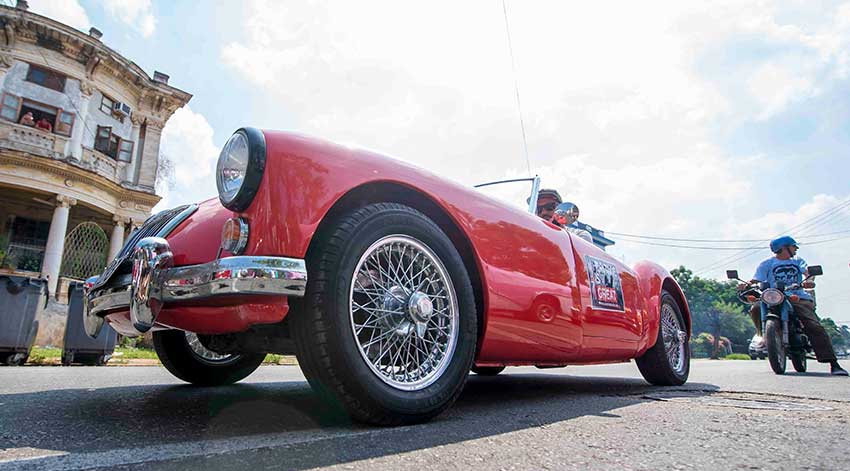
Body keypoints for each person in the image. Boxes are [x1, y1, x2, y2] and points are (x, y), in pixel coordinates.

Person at [740, 236, 847, 376]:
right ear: (784, 248)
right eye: (793, 246)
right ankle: (763, 336)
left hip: (796, 296)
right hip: (774, 296)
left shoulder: (797, 261)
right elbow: (756, 279)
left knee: (813, 325)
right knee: (755, 308)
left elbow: (807, 272)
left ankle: (833, 363)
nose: (796, 249)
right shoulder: (766, 264)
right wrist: (745, 284)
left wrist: (810, 280)